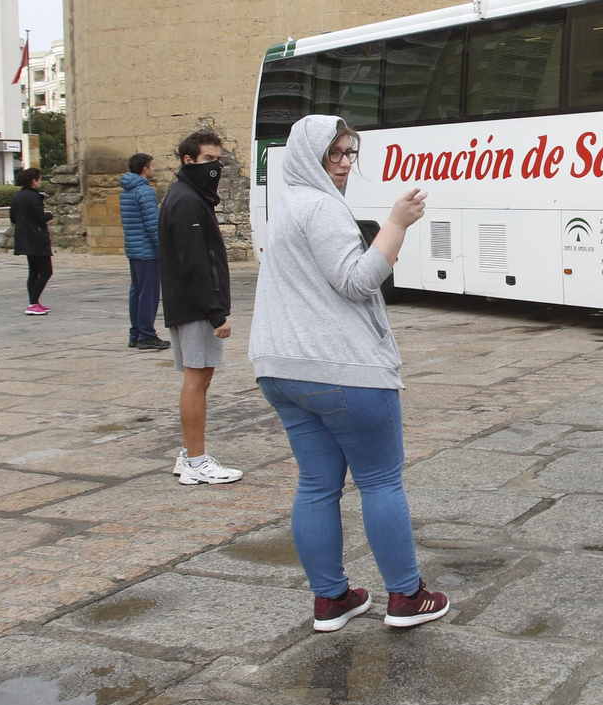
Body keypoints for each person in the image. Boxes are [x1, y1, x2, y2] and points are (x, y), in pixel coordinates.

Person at [249, 114, 447, 632]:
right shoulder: (322, 207)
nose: (342, 164)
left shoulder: (287, 205)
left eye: (348, 153)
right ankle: (407, 597)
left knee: (316, 485)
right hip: (344, 370)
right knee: (380, 482)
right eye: (332, 154)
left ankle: (332, 600)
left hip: (280, 370)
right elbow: (356, 282)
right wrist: (397, 224)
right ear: (307, 157)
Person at [159, 129, 243, 486]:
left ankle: (189, 454)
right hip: (195, 306)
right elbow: (194, 261)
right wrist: (215, 312)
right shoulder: (187, 200)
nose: (215, 166)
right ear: (188, 160)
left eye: (217, 160)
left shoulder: (187, 194)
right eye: (208, 159)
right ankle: (195, 461)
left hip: (189, 303)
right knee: (196, 380)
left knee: (200, 378)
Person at [120, 153, 170, 351]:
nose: (153, 169)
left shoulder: (126, 191)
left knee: (137, 291)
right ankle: (147, 334)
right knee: (149, 293)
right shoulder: (145, 191)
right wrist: (163, 248)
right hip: (147, 250)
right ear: (145, 169)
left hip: (133, 248)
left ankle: (136, 333)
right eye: (151, 166)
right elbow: (152, 224)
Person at [9, 167, 53, 315]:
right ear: (34, 181)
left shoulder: (17, 196)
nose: (40, 182)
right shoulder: (34, 197)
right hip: (37, 237)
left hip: (24, 237)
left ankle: (33, 302)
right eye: (39, 179)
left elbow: (13, 218)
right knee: (46, 272)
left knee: (33, 271)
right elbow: (40, 217)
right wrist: (49, 214)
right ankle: (33, 303)